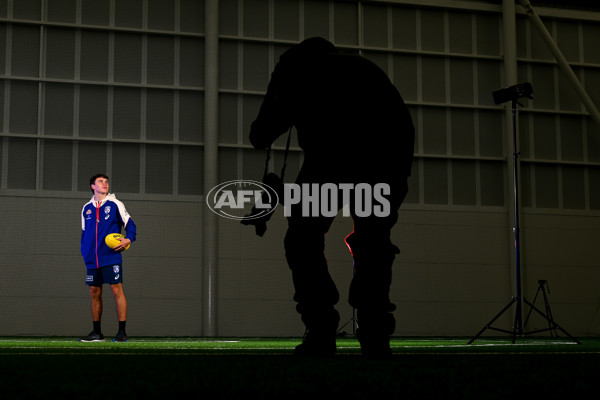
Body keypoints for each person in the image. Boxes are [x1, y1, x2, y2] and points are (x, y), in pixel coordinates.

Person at [249, 37, 415, 357]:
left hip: (330, 162)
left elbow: (261, 133)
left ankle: (321, 330)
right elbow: (400, 124)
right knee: (373, 239)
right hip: (387, 161)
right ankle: (375, 331)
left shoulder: (295, 69)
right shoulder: (366, 68)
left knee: (303, 239)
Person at [79, 174, 137, 342]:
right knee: (94, 293)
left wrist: (129, 239)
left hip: (110, 257)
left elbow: (130, 224)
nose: (104, 184)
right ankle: (97, 332)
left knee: (116, 290)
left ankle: (121, 332)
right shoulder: (86, 208)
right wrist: (85, 252)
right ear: (93, 186)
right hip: (92, 259)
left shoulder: (115, 204)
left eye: (106, 182)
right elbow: (84, 234)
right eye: (100, 182)